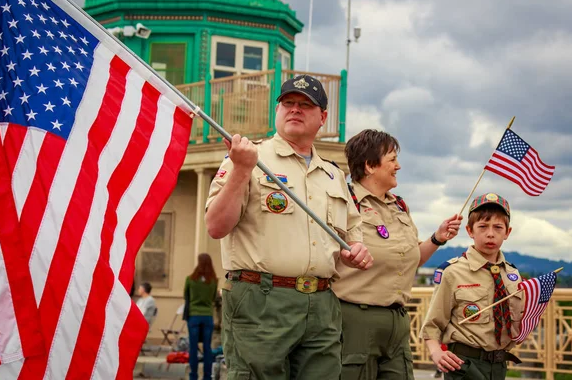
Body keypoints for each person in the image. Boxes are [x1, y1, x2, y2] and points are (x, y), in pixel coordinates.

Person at [205, 74, 373, 380]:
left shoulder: (334, 176)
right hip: (261, 299)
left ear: (322, 117)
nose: (295, 109)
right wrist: (242, 170)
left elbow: (353, 237)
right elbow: (216, 226)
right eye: (288, 103)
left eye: (305, 105)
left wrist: (356, 252)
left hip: (322, 304)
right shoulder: (247, 158)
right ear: (277, 111)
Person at [332, 129, 463, 380]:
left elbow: (410, 260)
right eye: (392, 159)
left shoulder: (400, 205)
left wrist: (437, 238)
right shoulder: (345, 202)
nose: (398, 166)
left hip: (397, 321)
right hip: (356, 320)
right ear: (370, 166)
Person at [420, 193, 524, 379]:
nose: (490, 233)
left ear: (507, 233)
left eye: (498, 227)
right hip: (463, 364)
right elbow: (433, 323)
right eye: (482, 227)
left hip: (499, 365)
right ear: (470, 230)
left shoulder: (512, 275)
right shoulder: (453, 272)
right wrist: (436, 352)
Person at [184, 253, 218, 380]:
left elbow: (186, 296)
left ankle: (193, 376)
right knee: (207, 347)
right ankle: (207, 377)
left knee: (193, 348)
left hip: (193, 316)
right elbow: (214, 298)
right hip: (207, 316)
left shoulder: (190, 279)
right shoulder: (214, 280)